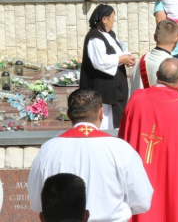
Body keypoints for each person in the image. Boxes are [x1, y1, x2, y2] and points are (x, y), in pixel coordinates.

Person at [28, 88, 153, 221]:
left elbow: (37, 201)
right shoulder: (121, 149)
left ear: (69, 115)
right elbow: (142, 200)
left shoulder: (48, 149)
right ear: (101, 113)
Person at [119, 58, 178, 222]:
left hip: (141, 177)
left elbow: (124, 139)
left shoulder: (136, 100)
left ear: (157, 75)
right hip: (176, 178)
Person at [80, 4, 136, 129]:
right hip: (103, 86)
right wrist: (122, 59)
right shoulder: (95, 38)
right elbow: (100, 61)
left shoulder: (110, 34)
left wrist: (127, 56)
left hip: (115, 83)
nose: (114, 20)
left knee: (116, 115)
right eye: (112, 17)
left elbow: (118, 50)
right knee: (105, 119)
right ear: (104, 19)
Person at [129, 19, 178, 99]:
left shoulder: (141, 61)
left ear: (154, 37)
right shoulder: (173, 67)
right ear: (176, 40)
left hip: (141, 110)